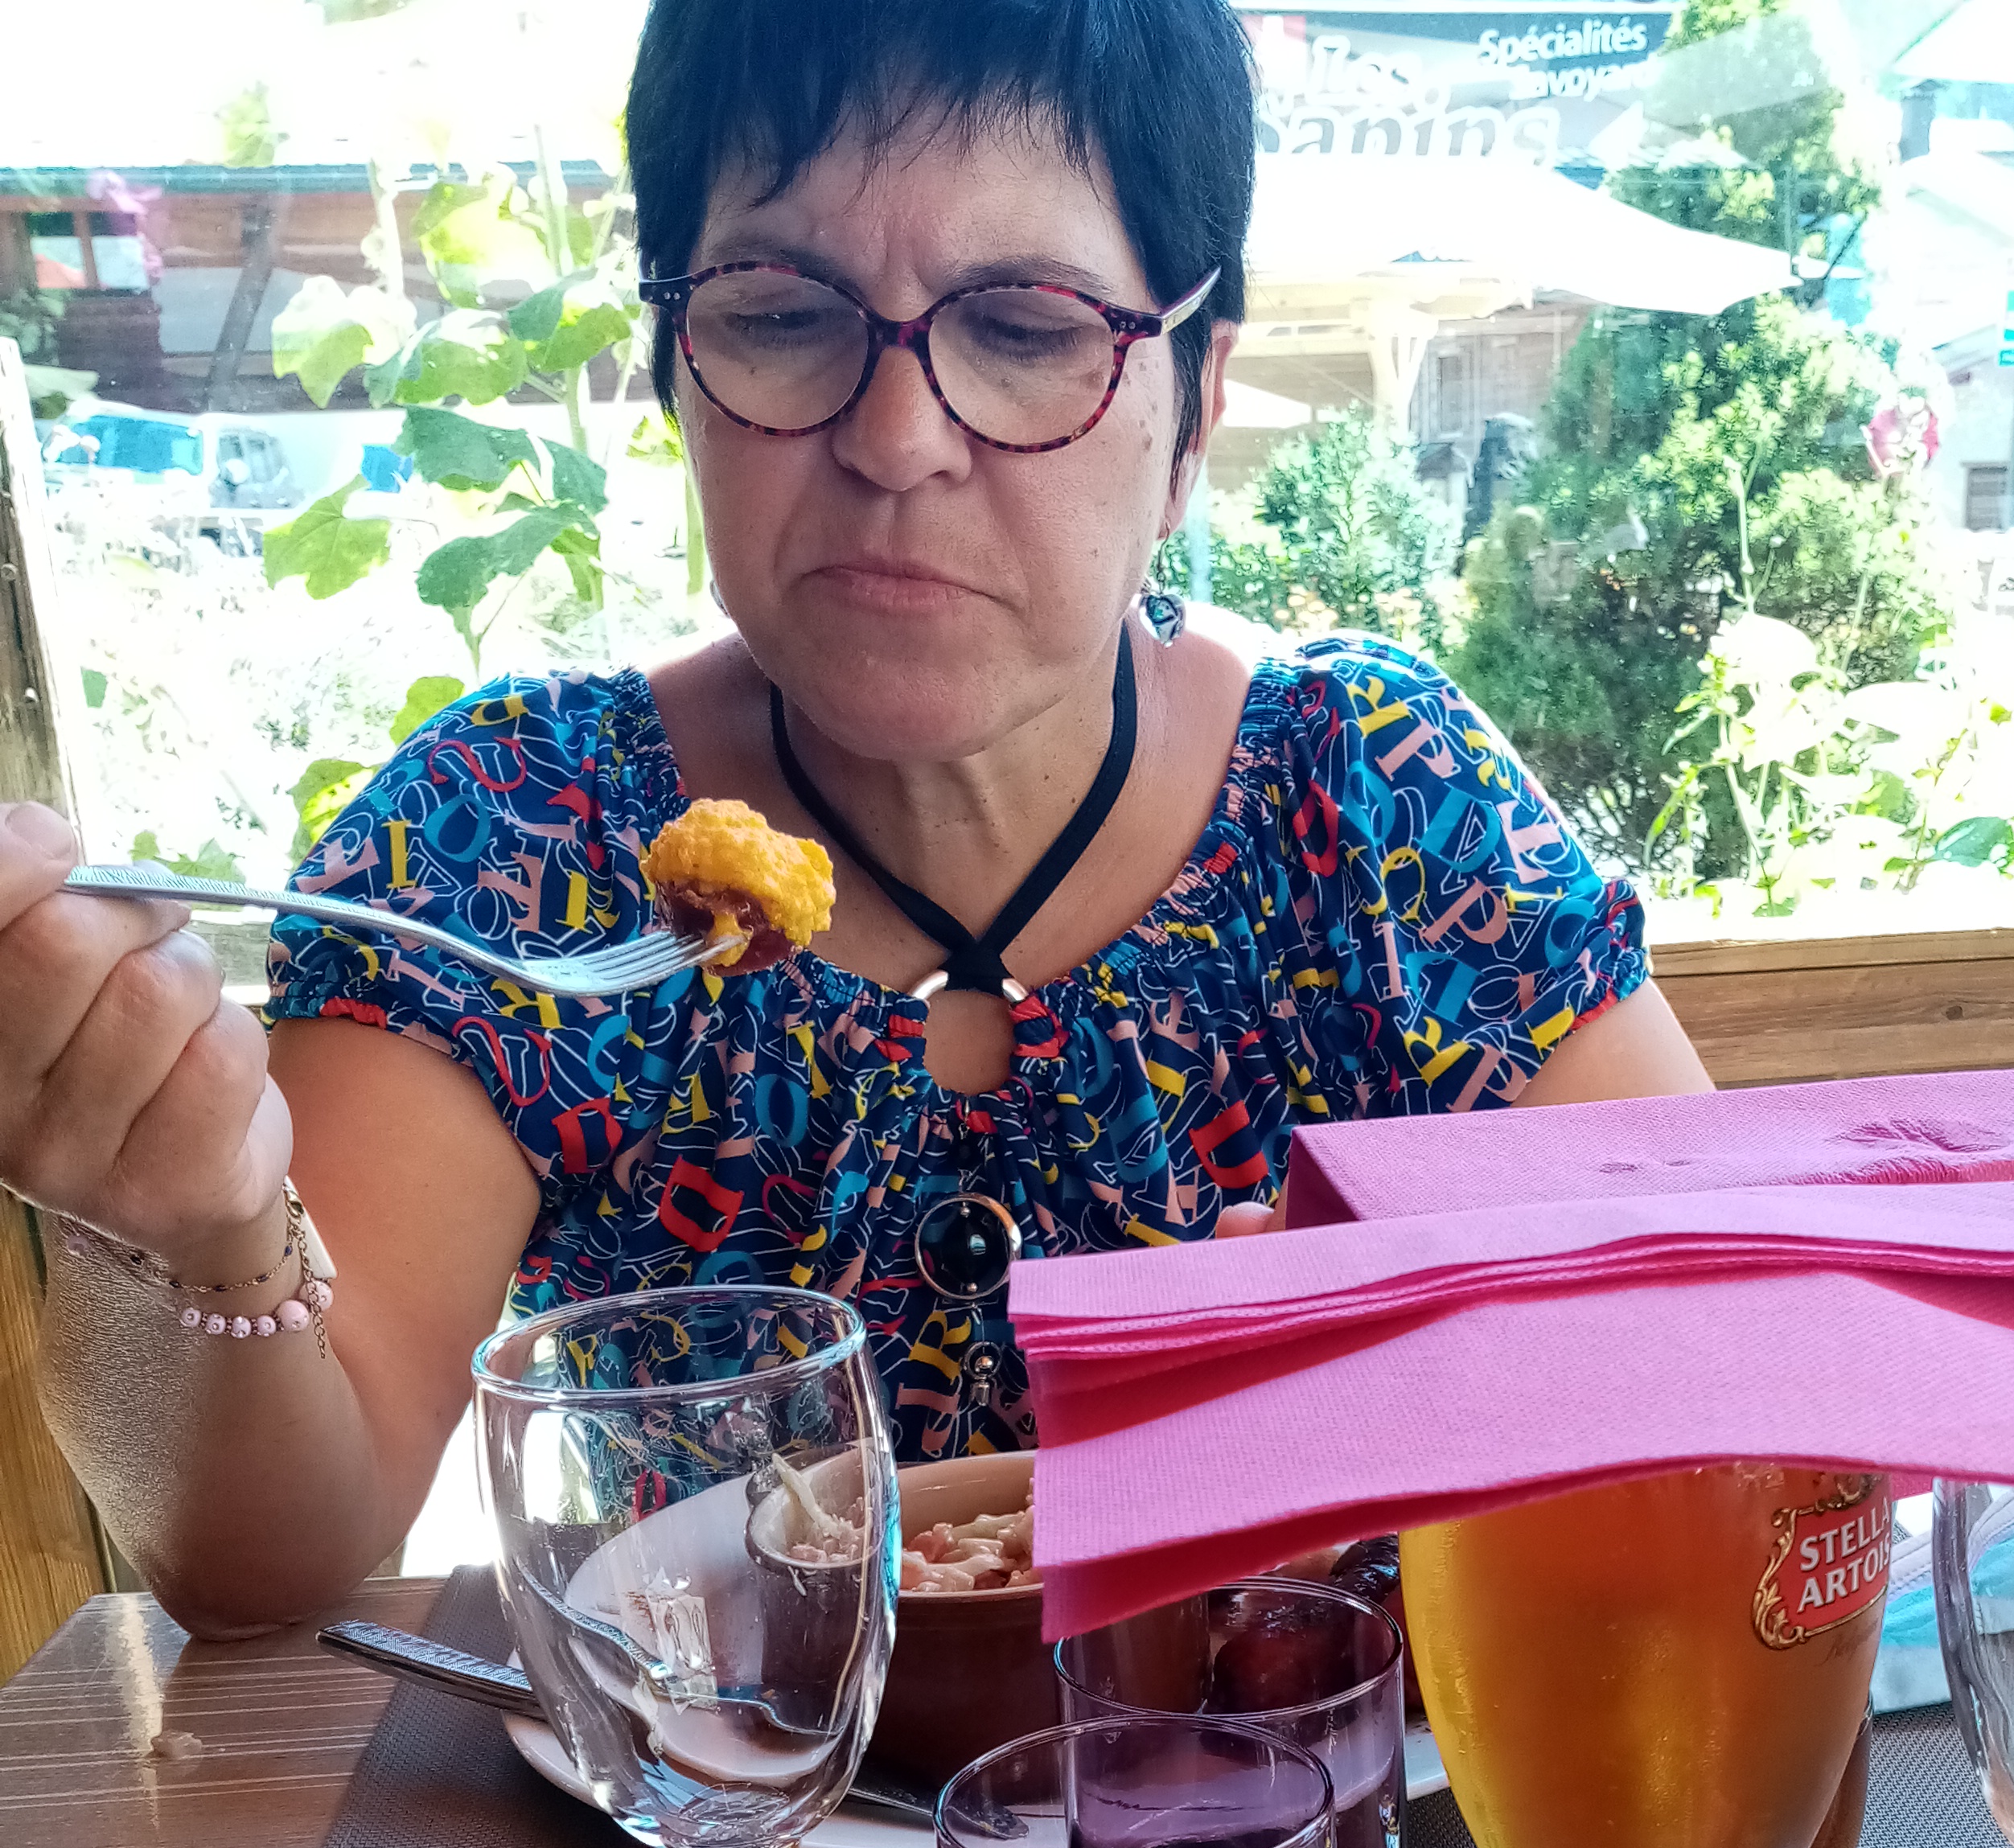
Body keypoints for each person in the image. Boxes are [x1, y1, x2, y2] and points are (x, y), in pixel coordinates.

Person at [0, 0, 1708, 1639]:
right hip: (739, 1819)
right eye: (782, 313)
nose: (897, 442)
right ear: (675, 365)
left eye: (1026, 329)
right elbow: (266, 1565)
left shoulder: (1380, 804)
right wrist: (192, 1228)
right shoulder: (514, 844)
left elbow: (1721, 1351)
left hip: (1312, 1807)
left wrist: (1447, 1358)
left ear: (1194, 403)